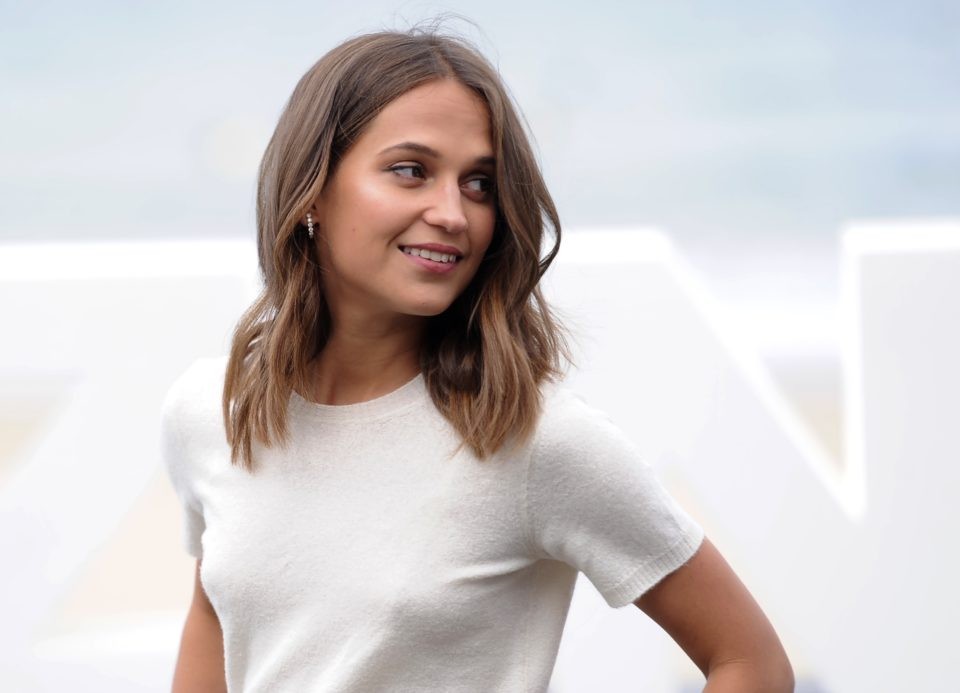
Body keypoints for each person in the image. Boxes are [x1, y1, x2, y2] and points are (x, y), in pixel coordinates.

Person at [161, 25, 794, 693]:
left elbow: (750, 661)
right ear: (313, 188)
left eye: (480, 184)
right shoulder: (214, 409)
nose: (453, 213)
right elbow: (216, 612)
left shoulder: (536, 440)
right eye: (411, 170)